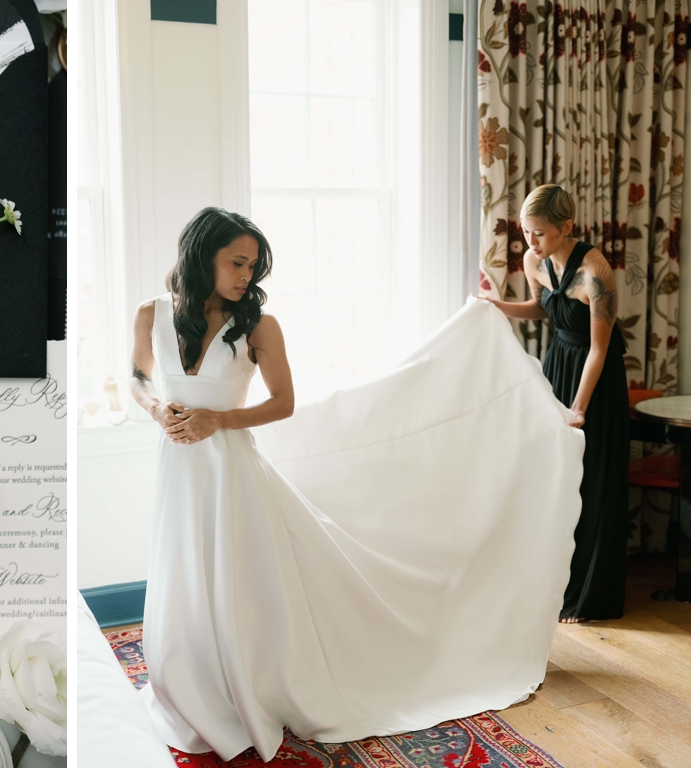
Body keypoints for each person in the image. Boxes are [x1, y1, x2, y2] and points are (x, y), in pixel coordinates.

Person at [129, 206, 583, 761]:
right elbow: (136, 377)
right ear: (203, 255)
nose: (247, 275)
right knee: (184, 576)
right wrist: (157, 410)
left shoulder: (259, 327)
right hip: (177, 470)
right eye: (237, 262)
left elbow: (283, 402)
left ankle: (249, 685)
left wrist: (217, 419)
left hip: (231, 473)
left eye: (253, 265)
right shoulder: (150, 314)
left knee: (236, 583)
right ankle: (186, 684)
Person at [478, 184, 629, 623]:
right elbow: (542, 308)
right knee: (553, 477)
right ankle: (549, 585)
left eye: (540, 234)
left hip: (593, 379)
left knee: (591, 479)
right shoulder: (534, 261)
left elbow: (600, 351)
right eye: (526, 233)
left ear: (567, 227)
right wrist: (499, 306)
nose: (531, 243)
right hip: (558, 364)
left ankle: (589, 595)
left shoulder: (596, 275)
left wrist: (578, 409)